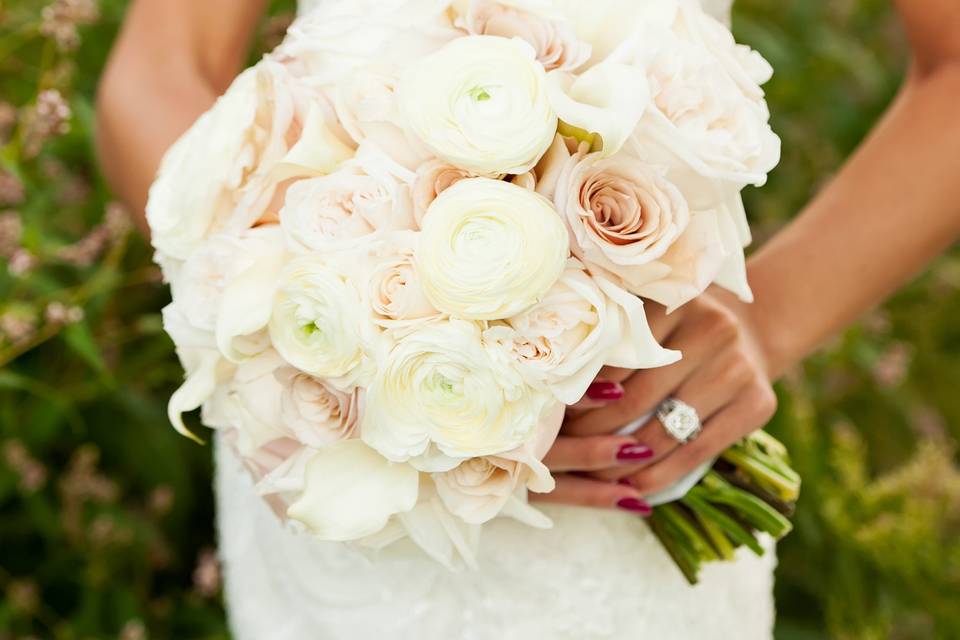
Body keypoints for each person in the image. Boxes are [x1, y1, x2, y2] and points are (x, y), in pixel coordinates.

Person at [96, 0, 960, 638]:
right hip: (340, 445)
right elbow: (158, 66)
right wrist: (300, 284)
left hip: (631, 447)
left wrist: (765, 321)